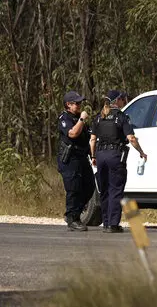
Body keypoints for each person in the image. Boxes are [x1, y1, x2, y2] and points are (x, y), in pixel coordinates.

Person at [90, 90, 147, 233]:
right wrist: (141, 152)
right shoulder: (121, 117)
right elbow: (131, 138)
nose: (124, 101)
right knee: (115, 189)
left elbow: (92, 140)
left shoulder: (99, 117)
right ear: (117, 101)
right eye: (122, 98)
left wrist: (93, 156)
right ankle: (113, 224)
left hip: (101, 155)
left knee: (104, 190)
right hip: (115, 155)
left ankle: (106, 223)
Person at [57, 91, 95, 231]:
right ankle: (73, 218)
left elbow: (90, 136)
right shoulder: (64, 118)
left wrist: (93, 155)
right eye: (76, 103)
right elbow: (72, 134)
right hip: (69, 159)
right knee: (74, 189)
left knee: (89, 186)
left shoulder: (81, 118)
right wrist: (81, 120)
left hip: (82, 157)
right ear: (68, 105)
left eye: (80, 103)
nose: (79, 105)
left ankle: (74, 214)